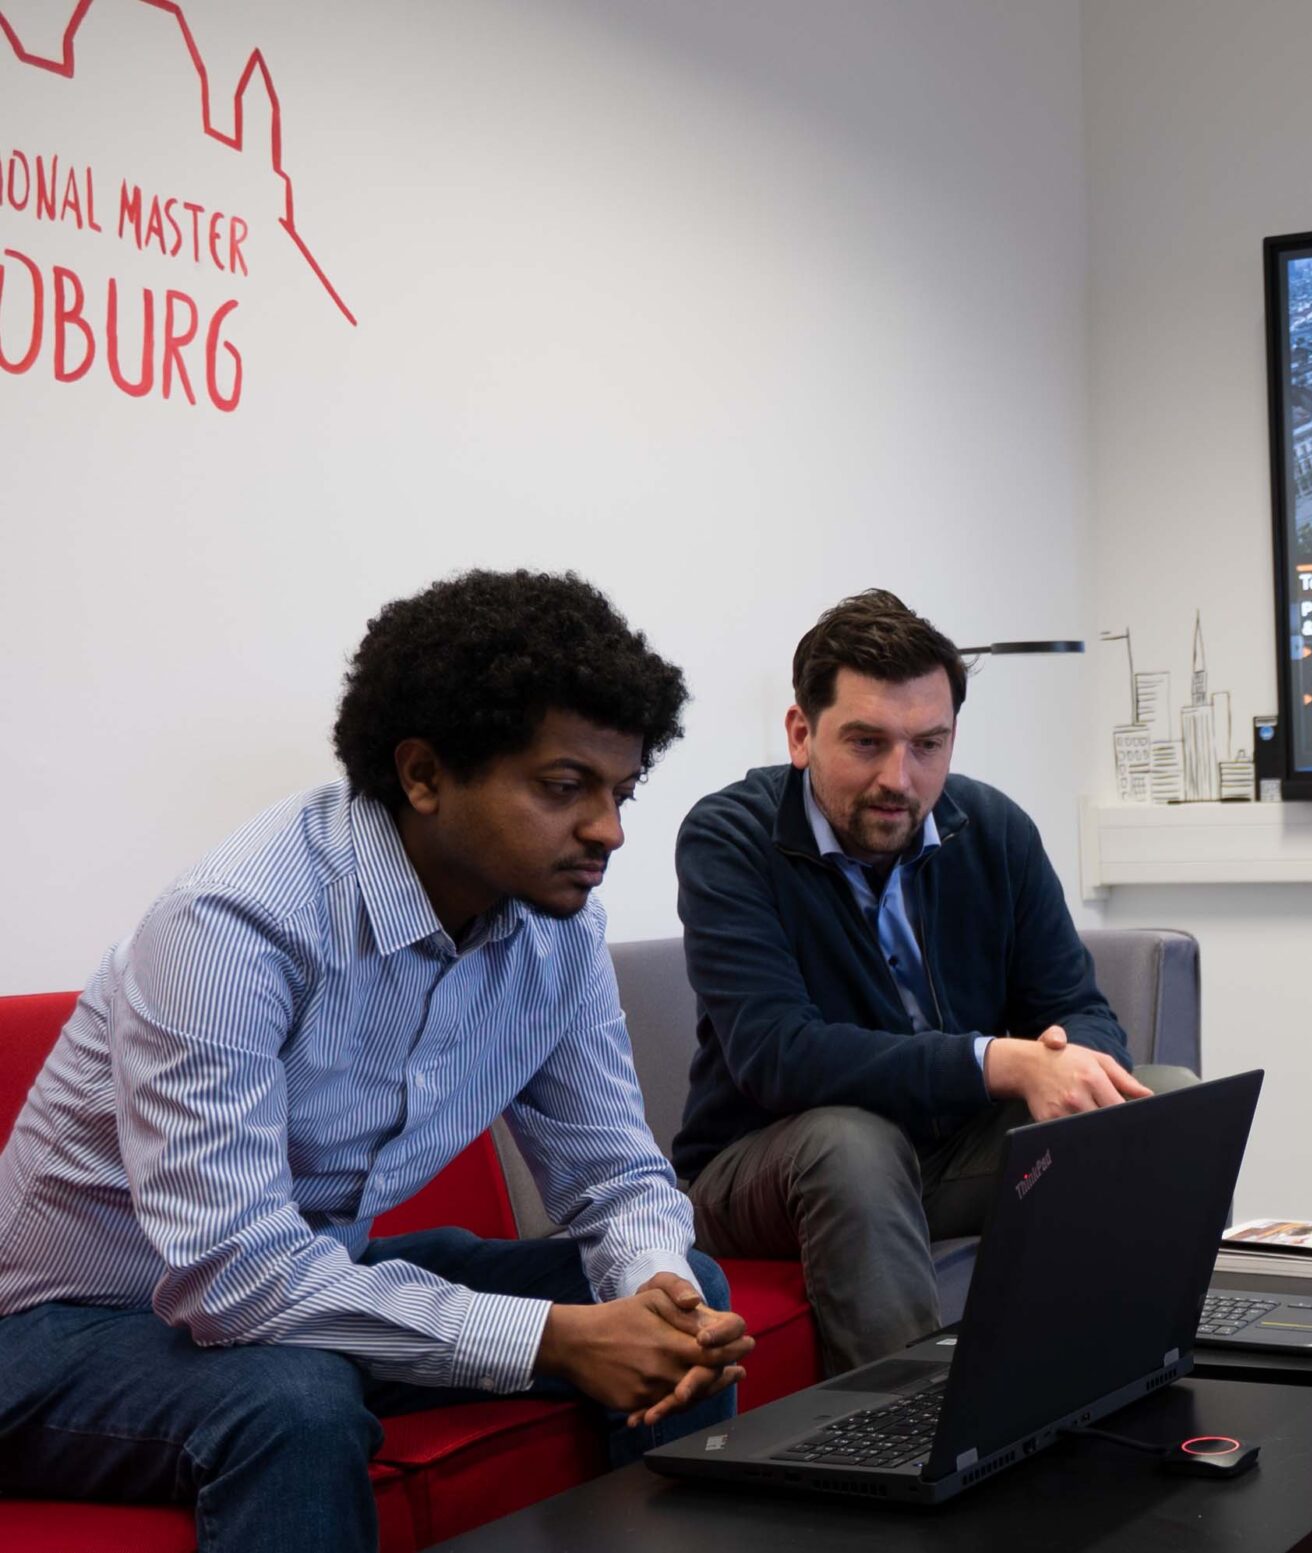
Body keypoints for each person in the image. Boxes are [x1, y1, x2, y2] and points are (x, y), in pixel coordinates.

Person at [0, 570, 751, 1549]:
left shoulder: (556, 927)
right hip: (68, 1324)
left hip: (307, 1271)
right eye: (565, 787)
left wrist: (659, 1292)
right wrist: (557, 1338)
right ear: (424, 774)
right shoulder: (232, 924)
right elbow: (232, 1276)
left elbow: (615, 1178)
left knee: (684, 1292)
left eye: (622, 790)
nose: (608, 829)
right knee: (294, 1398)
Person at [672, 589, 1197, 1374]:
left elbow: (1076, 1005)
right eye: (866, 742)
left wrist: (1066, 1063)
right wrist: (1001, 1061)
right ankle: (904, 1445)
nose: (900, 777)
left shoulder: (993, 828)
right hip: (768, 1166)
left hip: (946, 1151)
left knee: (1165, 1101)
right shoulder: (728, 838)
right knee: (853, 1144)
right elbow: (777, 1054)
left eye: (927, 744)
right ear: (799, 733)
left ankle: (1127, 1383)